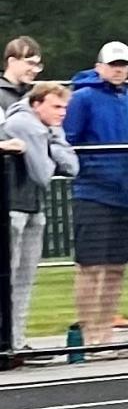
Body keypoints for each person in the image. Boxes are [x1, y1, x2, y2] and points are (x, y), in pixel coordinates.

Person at [64, 41, 128, 350]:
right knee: (91, 266)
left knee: (116, 265)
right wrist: (90, 170)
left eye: (123, 64)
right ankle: (89, 335)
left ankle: (106, 332)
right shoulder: (83, 98)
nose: (118, 69)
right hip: (93, 192)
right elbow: (70, 140)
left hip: (126, 193)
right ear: (99, 66)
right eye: (113, 64)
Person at [0, 83, 78, 359]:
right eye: (56, 107)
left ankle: (17, 341)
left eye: (65, 107)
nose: (62, 113)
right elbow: (44, 172)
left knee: (25, 278)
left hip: (33, 207)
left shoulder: (47, 129)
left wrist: (52, 138)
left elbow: (72, 166)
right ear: (37, 105)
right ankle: (7, 342)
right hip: (13, 207)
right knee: (7, 277)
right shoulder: (25, 123)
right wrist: (53, 141)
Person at [0, 36, 44, 115]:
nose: (34, 70)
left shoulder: (35, 95)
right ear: (12, 61)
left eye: (37, 65)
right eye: (30, 63)